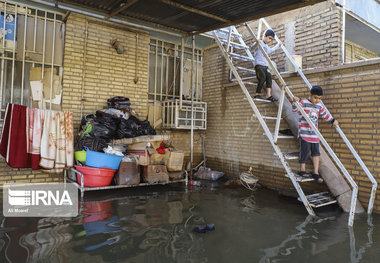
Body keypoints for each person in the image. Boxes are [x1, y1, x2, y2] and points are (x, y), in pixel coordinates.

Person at [292, 86, 339, 183]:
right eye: (315, 97)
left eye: (319, 98)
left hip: (314, 134)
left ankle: (316, 172)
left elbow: (325, 115)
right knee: (304, 151)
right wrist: (295, 102)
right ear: (310, 95)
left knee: (316, 153)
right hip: (304, 133)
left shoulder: (319, 105)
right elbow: (295, 110)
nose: (317, 100)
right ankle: (302, 170)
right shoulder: (304, 102)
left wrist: (333, 120)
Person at [251, 29, 282, 102]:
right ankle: (257, 94)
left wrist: (278, 45)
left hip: (265, 66)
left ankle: (268, 95)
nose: (270, 40)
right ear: (264, 36)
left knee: (269, 77)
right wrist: (256, 43)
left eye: (271, 39)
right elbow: (251, 47)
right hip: (259, 65)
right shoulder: (259, 42)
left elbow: (271, 50)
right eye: (269, 38)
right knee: (262, 78)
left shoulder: (266, 46)